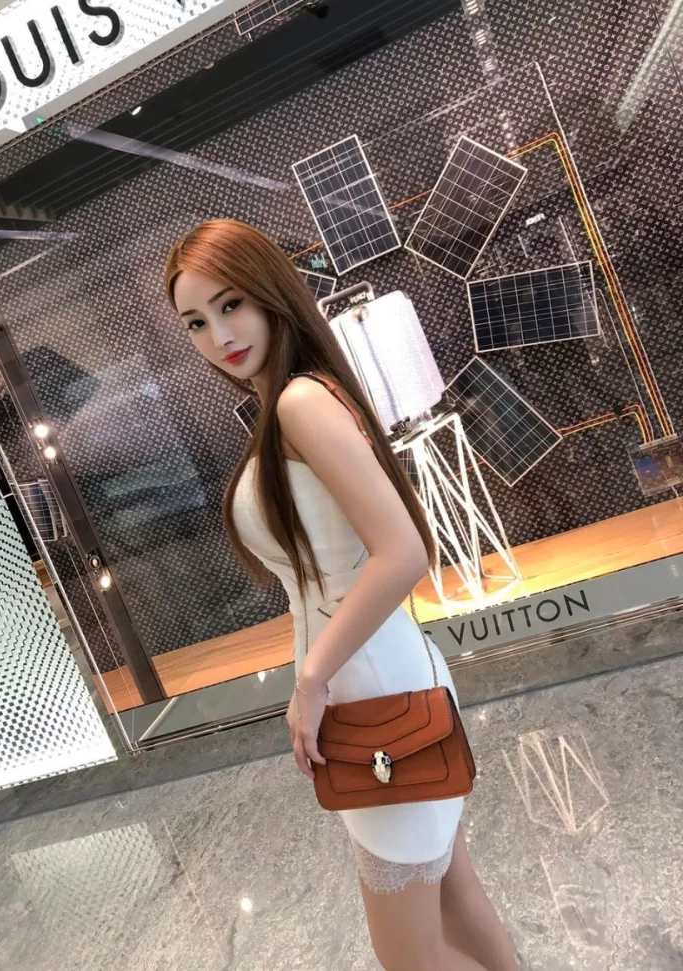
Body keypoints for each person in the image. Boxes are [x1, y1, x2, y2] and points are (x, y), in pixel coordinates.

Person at [165, 219, 518, 971]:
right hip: (383, 679)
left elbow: (404, 552)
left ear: (269, 293)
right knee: (454, 894)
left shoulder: (299, 401)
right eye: (195, 321)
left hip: (373, 696)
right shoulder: (295, 400)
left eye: (231, 305)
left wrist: (312, 677)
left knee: (411, 957)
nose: (218, 335)